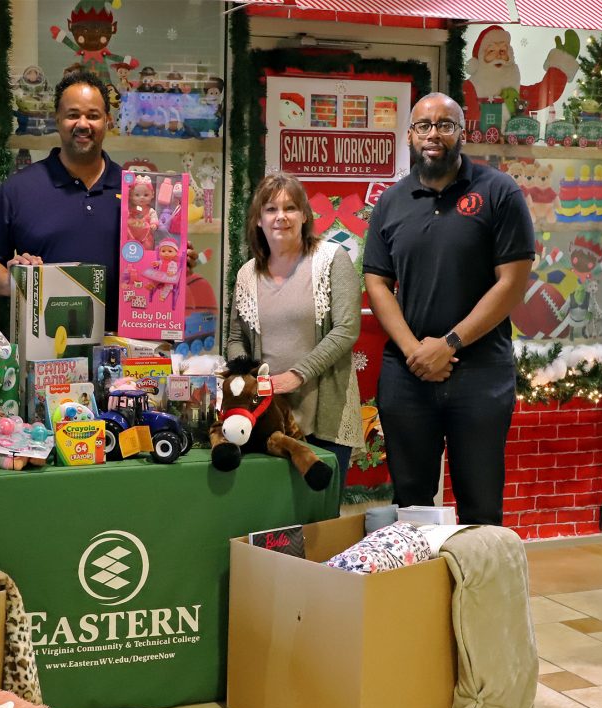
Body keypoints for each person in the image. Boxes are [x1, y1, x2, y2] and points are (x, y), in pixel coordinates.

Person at [362, 92, 533, 525]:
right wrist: (415, 351)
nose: (433, 134)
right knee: (411, 505)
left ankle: (477, 593)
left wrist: (450, 343)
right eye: (423, 125)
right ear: (410, 135)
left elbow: (511, 283)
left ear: (462, 132)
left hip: (480, 373)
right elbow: (377, 282)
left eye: (445, 124)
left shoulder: (498, 192)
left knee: (480, 505)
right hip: (407, 375)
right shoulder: (391, 201)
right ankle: (418, 593)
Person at [227, 172, 363, 487]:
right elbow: (236, 338)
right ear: (259, 220)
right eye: (271, 209)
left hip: (324, 414)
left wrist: (295, 375)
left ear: (304, 215)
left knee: (322, 515)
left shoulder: (332, 260)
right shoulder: (247, 273)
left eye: (290, 208)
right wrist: (248, 377)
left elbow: (346, 330)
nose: (281, 217)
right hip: (268, 419)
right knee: (275, 516)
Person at [0, 70, 124, 325]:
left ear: (108, 121)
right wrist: (17, 282)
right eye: (73, 115)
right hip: (45, 351)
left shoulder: (136, 192)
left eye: (93, 116)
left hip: (124, 351)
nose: (83, 124)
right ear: (57, 119)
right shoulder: (20, 189)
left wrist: (171, 259)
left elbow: (152, 255)